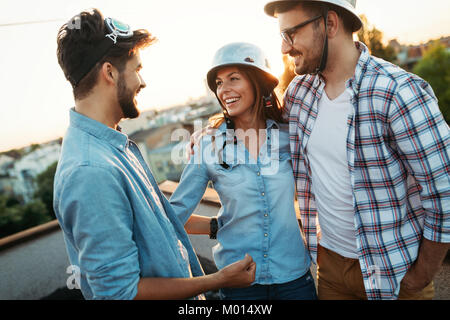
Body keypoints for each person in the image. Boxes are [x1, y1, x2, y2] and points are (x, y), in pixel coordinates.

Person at [53, 8, 256, 300]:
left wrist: (218, 226)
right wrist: (218, 279)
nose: (142, 81)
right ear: (109, 72)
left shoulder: (112, 145)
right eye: (137, 69)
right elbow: (121, 294)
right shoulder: (90, 171)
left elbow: (158, 218)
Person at [262, 0, 450, 300]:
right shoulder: (299, 94)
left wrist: (420, 277)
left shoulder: (398, 93)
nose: (285, 48)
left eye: (291, 34)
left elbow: (445, 192)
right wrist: (212, 133)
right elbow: (264, 135)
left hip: (395, 273)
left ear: (330, 24)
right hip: (331, 271)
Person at [170, 42, 317, 300]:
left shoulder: (289, 135)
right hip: (239, 286)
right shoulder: (209, 145)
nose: (224, 90)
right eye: (218, 83)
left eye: (233, 79)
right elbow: (173, 216)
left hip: (295, 279)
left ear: (258, 82)